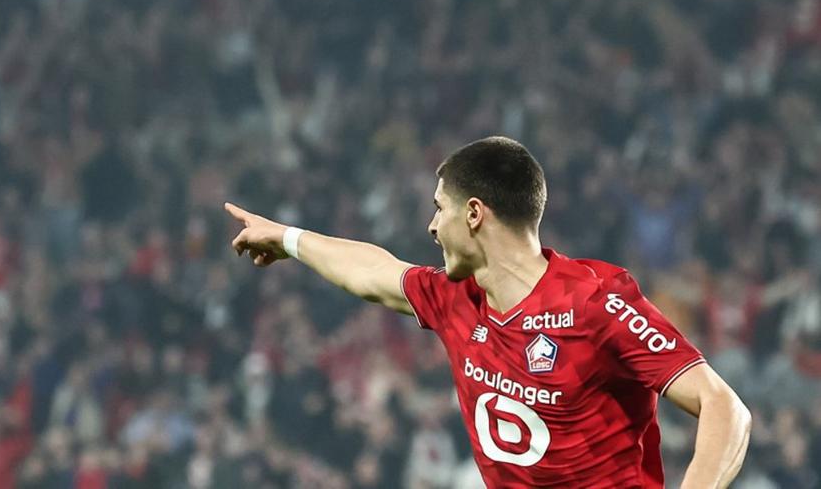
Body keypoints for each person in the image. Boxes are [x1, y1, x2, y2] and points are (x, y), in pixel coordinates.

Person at [225, 136, 751, 488]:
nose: (432, 227)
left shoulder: (595, 303)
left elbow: (724, 407)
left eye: (440, 208)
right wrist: (288, 238)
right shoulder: (458, 299)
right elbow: (373, 271)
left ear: (474, 213)